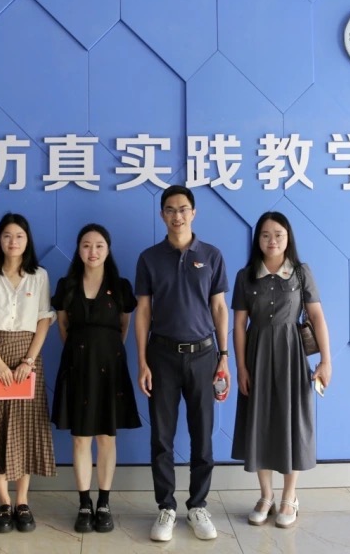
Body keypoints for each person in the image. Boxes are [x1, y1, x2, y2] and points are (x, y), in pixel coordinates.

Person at [134, 185, 230, 542]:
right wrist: (142, 361)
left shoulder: (212, 255)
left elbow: (219, 308)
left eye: (183, 209)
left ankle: (198, 505)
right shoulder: (149, 258)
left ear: (194, 212)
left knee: (202, 435)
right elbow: (144, 311)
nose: (178, 215)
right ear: (162, 214)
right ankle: (166, 507)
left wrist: (224, 357)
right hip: (161, 355)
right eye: (171, 209)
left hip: (205, 355)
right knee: (162, 437)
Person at [231, 211, 332, 528]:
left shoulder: (301, 272)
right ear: (257, 240)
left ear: (288, 238)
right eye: (265, 235)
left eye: (278, 234)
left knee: (292, 421)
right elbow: (238, 325)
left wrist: (326, 361)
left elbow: (317, 317)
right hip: (257, 355)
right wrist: (241, 367)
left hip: (292, 355)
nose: (272, 240)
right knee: (259, 421)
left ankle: (290, 496)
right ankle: (266, 495)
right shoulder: (245, 276)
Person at [0, 213, 57, 534]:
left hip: (27, 362)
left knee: (24, 429)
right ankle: (4, 502)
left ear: (27, 240)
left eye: (19, 235)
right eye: (7, 235)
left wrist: (29, 360)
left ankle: (22, 501)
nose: (13, 241)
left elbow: (44, 318)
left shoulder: (39, 276)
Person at [51, 224, 141, 534]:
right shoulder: (67, 285)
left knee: (106, 437)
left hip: (110, 368)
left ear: (107, 249)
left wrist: (106, 351)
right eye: (86, 245)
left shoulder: (121, 285)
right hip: (76, 366)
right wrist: (82, 351)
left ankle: (104, 502)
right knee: (80, 438)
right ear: (78, 249)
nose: (93, 251)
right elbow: (62, 325)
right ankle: (84, 504)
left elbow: (124, 325)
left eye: (99, 245)